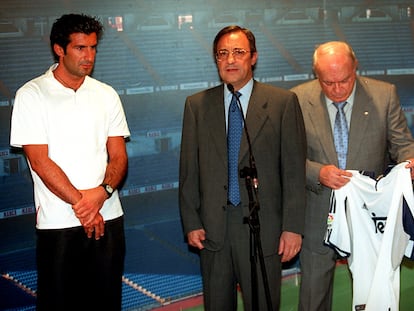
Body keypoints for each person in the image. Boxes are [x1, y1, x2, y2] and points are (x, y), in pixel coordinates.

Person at [179, 25, 307, 311]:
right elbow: (188, 171)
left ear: (254, 57)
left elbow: (293, 172)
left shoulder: (282, 103)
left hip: (265, 230)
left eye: (238, 52)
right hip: (213, 231)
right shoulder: (196, 106)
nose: (230, 60)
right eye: (222, 53)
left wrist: (292, 228)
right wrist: (191, 221)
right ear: (216, 60)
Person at [10, 14, 130, 311]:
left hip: (108, 217)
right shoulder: (31, 94)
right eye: (80, 48)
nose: (88, 56)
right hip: (59, 223)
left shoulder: (106, 94)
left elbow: (119, 157)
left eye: (92, 48)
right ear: (59, 49)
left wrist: (100, 194)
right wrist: (83, 205)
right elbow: (39, 161)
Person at [291, 40, 414, 311]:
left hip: (369, 214)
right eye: (327, 82)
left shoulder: (384, 95)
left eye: (344, 80)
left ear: (355, 67)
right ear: (315, 74)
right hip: (318, 213)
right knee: (313, 296)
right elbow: (286, 157)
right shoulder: (296, 99)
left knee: (374, 292)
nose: (337, 89)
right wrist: (316, 172)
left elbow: (402, 144)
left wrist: (411, 160)